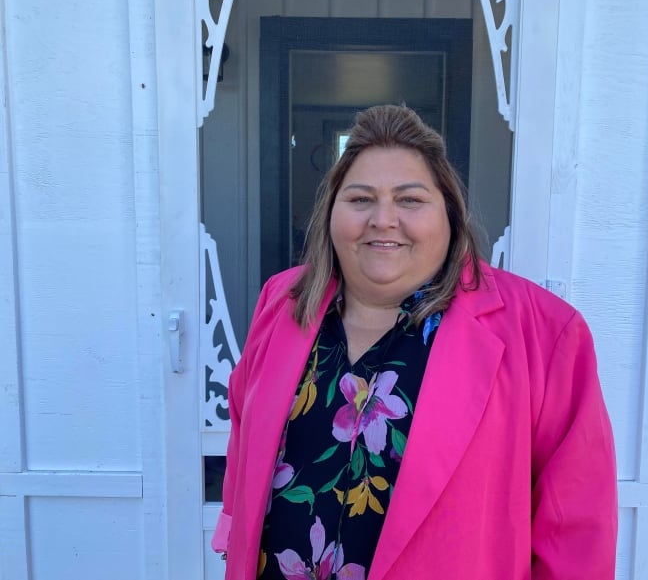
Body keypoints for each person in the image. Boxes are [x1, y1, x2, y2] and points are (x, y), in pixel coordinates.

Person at [212, 105, 618, 579]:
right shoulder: (281, 303)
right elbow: (245, 441)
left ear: (449, 213)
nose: (383, 219)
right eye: (361, 199)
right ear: (331, 213)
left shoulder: (545, 333)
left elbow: (576, 525)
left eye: (409, 200)